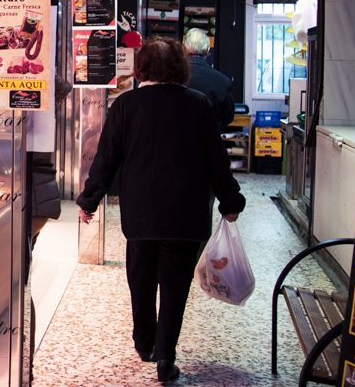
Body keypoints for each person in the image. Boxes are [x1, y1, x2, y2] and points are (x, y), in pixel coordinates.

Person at [76, 38, 247, 383]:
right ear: (179, 69)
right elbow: (218, 162)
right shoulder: (199, 105)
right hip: (186, 215)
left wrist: (90, 199)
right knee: (174, 286)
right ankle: (165, 358)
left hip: (141, 215)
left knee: (140, 280)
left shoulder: (126, 105)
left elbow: (106, 159)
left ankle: (144, 342)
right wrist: (230, 202)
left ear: (140, 69)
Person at [183, 28, 235, 129]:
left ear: (183, 48)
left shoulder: (170, 78)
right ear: (207, 50)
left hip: (176, 142)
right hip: (209, 141)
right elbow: (228, 117)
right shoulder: (223, 82)